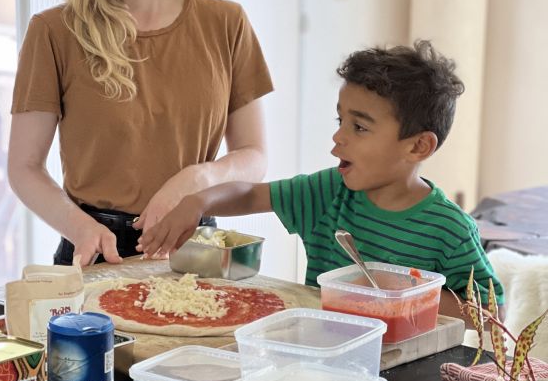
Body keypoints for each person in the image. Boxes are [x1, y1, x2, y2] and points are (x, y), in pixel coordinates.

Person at [8, 0, 273, 266]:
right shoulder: (54, 33)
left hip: (197, 246)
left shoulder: (227, 21)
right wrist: (79, 227)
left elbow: (254, 155)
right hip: (98, 252)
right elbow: (24, 167)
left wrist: (199, 178)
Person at [140, 40, 504, 317]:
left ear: (418, 146)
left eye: (359, 127)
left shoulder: (448, 229)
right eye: (340, 121)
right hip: (324, 359)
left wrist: (404, 292)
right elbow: (251, 195)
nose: (339, 137)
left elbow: (491, 312)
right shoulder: (330, 192)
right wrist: (199, 201)